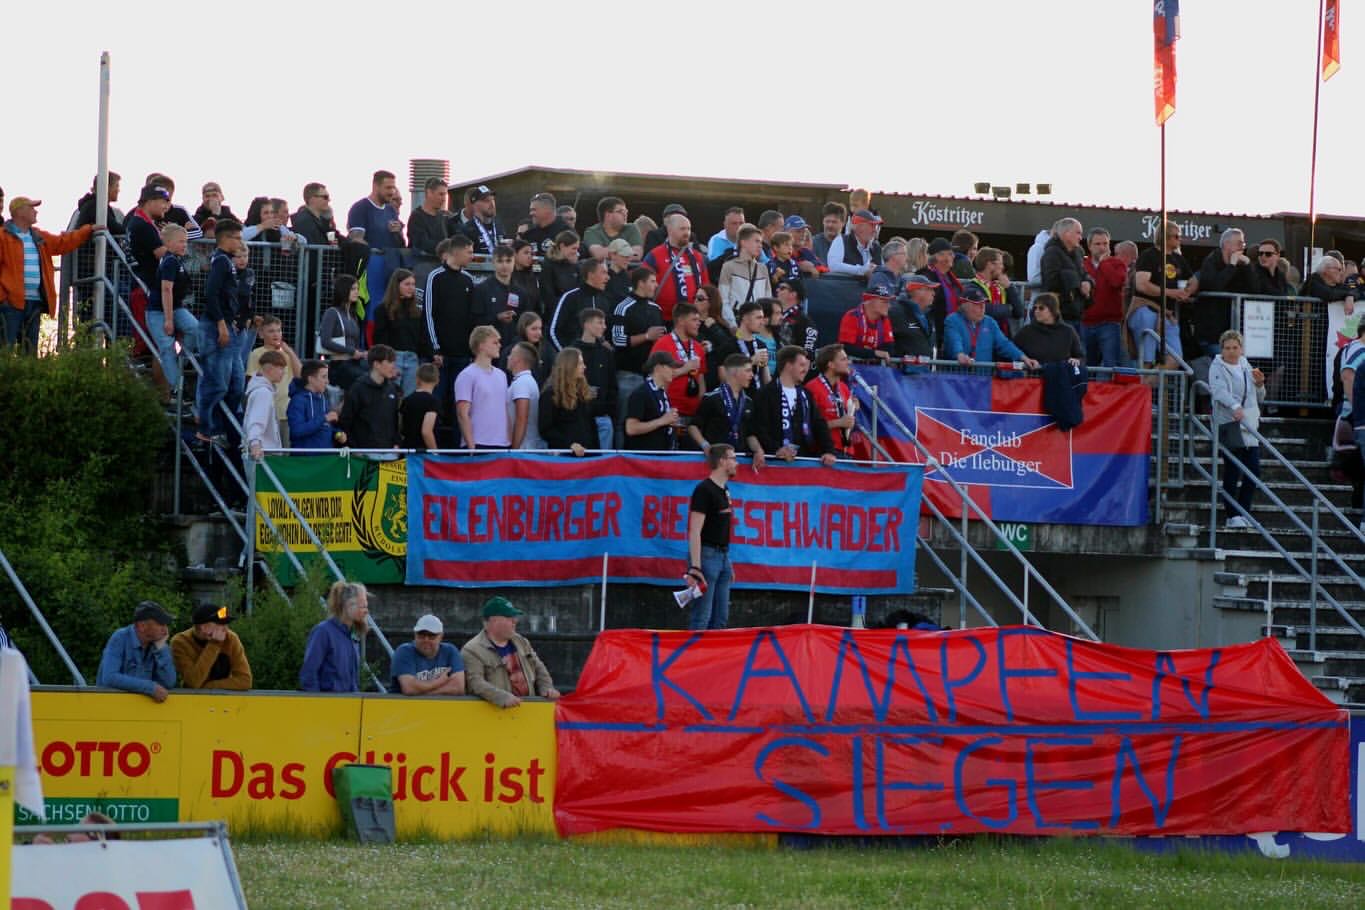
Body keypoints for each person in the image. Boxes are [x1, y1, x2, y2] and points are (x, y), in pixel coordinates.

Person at [1, 195, 99, 350]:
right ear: (20, 211)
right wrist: (3, 296)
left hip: (34, 301)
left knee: (30, 349)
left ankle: (28, 374)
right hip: (10, 303)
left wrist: (87, 230)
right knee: (5, 348)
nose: (36, 212)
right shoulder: (2, 237)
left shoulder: (38, 236)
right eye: (32, 207)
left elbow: (63, 242)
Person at [1210, 330, 1266, 529]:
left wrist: (1260, 385)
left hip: (1249, 423)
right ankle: (1232, 515)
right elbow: (1218, 391)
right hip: (1229, 424)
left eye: (1235, 348)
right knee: (1233, 470)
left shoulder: (1245, 364)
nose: (1232, 352)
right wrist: (1235, 407)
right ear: (1221, 349)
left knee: (1254, 471)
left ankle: (1243, 512)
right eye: (1227, 348)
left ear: (1241, 349)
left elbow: (1259, 396)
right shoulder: (1216, 366)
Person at [461, 596, 560, 709]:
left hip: (528, 712)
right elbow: (475, 683)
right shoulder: (472, 650)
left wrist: (547, 688)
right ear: (494, 621)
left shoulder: (521, 641)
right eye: (509, 617)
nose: (515, 621)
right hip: (495, 715)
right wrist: (501, 697)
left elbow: (539, 668)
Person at [196, 220, 244, 442]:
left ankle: (222, 425)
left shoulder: (227, 261)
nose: (239, 242)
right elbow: (212, 294)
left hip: (228, 325)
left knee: (236, 383)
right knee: (217, 382)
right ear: (225, 238)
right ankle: (206, 427)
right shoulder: (221, 261)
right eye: (236, 237)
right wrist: (221, 324)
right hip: (216, 327)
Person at [685, 444, 739, 631]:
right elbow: (694, 530)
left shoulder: (725, 490)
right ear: (722, 461)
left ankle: (713, 659)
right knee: (702, 618)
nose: (736, 463)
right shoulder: (704, 490)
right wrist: (695, 566)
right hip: (707, 557)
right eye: (733, 458)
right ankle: (694, 658)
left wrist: (727, 562)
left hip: (722, 556)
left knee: (721, 619)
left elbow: (721, 529)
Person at [753, 346, 837, 464]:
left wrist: (829, 451)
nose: (805, 370)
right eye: (802, 365)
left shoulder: (806, 394)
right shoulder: (766, 393)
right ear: (788, 365)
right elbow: (759, 428)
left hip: (803, 463)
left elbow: (819, 424)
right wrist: (776, 449)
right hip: (774, 463)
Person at [1129, 221, 1195, 369]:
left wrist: (1187, 292)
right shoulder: (1148, 255)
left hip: (1168, 315)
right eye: (1177, 236)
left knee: (1175, 358)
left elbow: (1194, 280)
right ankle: (1146, 388)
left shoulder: (1179, 259)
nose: (1180, 239)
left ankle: (1148, 385)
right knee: (1146, 360)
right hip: (1146, 310)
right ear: (1165, 237)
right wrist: (1172, 293)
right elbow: (1141, 284)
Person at [424, 234, 479, 410]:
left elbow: (472, 317)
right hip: (441, 354)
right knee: (436, 402)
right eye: (469, 252)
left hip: (462, 354)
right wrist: (435, 348)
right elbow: (428, 314)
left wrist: (472, 350)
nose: (472, 256)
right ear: (457, 252)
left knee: (461, 404)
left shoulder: (468, 279)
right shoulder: (435, 276)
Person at [146, 223, 199, 394]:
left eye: (185, 241)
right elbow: (166, 290)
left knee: (195, 329)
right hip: (158, 311)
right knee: (167, 346)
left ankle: (180, 362)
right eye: (180, 242)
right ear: (168, 243)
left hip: (176, 307)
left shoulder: (177, 260)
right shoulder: (169, 261)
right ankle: (178, 388)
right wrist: (169, 320)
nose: (184, 245)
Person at [1192, 228, 1256, 360]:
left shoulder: (1241, 264)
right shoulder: (1211, 261)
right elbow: (1214, 286)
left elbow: (1255, 289)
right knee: (1224, 362)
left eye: (1243, 244)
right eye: (1239, 243)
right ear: (1227, 244)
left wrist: (1249, 265)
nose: (1242, 247)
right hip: (1211, 332)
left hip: (1233, 331)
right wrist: (1231, 266)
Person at [689, 353, 765, 462]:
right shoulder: (712, 398)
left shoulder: (748, 402)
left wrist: (758, 450)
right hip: (716, 461)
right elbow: (693, 427)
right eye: (748, 370)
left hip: (739, 461)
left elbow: (750, 433)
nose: (752, 375)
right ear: (735, 372)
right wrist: (705, 446)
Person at [347, 170, 403, 318]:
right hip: (371, 264)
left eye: (393, 187)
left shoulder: (391, 210)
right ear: (375, 186)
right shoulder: (360, 207)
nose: (391, 192)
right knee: (372, 307)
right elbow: (356, 238)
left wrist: (398, 232)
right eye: (388, 188)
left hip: (391, 263)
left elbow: (400, 241)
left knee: (390, 306)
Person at [96, 601, 176, 701]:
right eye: (161, 624)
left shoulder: (159, 644)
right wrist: (150, 687)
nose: (165, 630)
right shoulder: (119, 638)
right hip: (110, 708)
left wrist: (161, 649)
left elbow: (169, 682)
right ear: (142, 626)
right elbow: (109, 677)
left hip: (139, 712)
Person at [944, 284, 1039, 368]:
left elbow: (1004, 344)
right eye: (977, 305)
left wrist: (1023, 358)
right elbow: (954, 341)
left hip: (984, 378)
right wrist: (959, 354)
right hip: (958, 378)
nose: (982, 308)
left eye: (984, 304)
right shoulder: (953, 320)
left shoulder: (990, 322)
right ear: (965, 306)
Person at [300, 581, 370, 693]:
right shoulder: (323, 632)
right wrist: (317, 704)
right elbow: (309, 674)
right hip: (327, 705)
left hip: (349, 704)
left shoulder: (352, 635)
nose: (366, 611)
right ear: (348, 605)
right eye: (363, 606)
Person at [372, 269, 432, 396]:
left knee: (408, 399)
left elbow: (422, 337)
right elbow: (380, 339)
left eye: (413, 284)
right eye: (407, 284)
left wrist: (432, 355)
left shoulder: (417, 312)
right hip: (393, 359)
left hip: (412, 359)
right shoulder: (383, 310)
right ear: (396, 285)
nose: (412, 288)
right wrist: (388, 363)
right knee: (389, 398)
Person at [245, 315, 301, 444]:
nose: (276, 334)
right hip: (267, 411)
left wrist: (290, 352)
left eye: (278, 330)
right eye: (271, 331)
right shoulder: (257, 353)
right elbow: (252, 380)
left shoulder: (287, 353)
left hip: (285, 411)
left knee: (285, 450)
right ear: (261, 334)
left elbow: (300, 376)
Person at [170, 603, 252, 690]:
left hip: (224, 699)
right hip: (192, 700)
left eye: (226, 624)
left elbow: (245, 681)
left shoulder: (231, 638)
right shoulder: (180, 642)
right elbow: (193, 682)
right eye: (220, 624)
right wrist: (214, 644)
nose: (225, 629)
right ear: (203, 627)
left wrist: (208, 687)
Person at [641, 212, 706, 321]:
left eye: (688, 229)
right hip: (663, 319)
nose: (687, 233)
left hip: (692, 320)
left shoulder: (698, 257)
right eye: (682, 229)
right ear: (670, 230)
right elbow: (642, 286)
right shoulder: (655, 255)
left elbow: (705, 287)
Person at [337, 345, 402, 449]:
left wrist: (396, 443)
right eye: (389, 362)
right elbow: (345, 421)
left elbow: (394, 421)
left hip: (390, 454)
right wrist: (353, 447)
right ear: (376, 364)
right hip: (363, 456)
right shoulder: (357, 388)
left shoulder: (392, 389)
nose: (393, 366)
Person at [650, 301, 707, 419]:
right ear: (681, 321)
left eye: (699, 320)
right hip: (669, 413)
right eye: (694, 320)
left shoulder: (698, 347)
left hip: (693, 413)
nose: (698, 323)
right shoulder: (663, 344)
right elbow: (654, 378)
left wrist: (701, 406)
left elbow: (701, 380)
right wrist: (684, 369)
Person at [456, 326, 510, 449]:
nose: (499, 346)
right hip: (478, 443)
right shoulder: (467, 375)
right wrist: (471, 446)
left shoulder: (501, 375)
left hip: (502, 443)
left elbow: (505, 410)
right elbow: (462, 413)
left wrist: (509, 440)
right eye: (495, 342)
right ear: (481, 346)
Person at [571, 308, 617, 449]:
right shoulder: (572, 351)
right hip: (578, 418)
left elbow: (612, 384)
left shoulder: (606, 353)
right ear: (586, 324)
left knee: (603, 461)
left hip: (602, 416)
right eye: (600, 323)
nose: (604, 327)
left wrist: (608, 409)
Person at [539, 347, 598, 456]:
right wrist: (569, 445)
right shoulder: (550, 395)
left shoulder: (582, 393)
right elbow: (546, 429)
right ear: (569, 366)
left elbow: (591, 426)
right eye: (580, 364)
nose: (584, 367)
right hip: (564, 456)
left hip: (588, 456)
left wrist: (596, 453)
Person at [805, 344, 860, 458]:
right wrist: (838, 423)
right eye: (843, 359)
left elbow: (846, 417)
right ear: (830, 364)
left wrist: (853, 407)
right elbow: (808, 425)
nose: (848, 362)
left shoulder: (843, 387)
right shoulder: (812, 387)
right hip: (826, 452)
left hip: (846, 449)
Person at [549, 258, 613, 352]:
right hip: (573, 360)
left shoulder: (604, 300)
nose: (608, 277)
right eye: (603, 273)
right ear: (591, 275)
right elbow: (553, 331)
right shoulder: (570, 297)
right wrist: (567, 356)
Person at [391, 614, 465, 696]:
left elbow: (458, 687)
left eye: (432, 635)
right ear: (415, 635)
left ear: (441, 637)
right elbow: (409, 688)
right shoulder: (404, 652)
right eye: (421, 635)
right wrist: (440, 681)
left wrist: (423, 692)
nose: (426, 640)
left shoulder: (450, 651)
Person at [626, 351, 684, 450]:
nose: (674, 371)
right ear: (658, 368)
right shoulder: (641, 393)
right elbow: (631, 428)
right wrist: (662, 421)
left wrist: (669, 422)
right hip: (645, 458)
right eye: (670, 367)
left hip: (661, 456)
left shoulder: (661, 393)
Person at [1040, 218, 1092, 327]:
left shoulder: (1078, 254)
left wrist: (1088, 282)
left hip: (1076, 313)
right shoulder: (1051, 253)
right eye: (1078, 233)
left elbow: (1084, 274)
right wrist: (1078, 284)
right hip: (1060, 315)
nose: (1080, 237)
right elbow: (1051, 282)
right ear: (1067, 234)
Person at [318, 274, 367, 390]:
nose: (357, 292)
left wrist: (363, 353)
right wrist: (351, 351)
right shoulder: (332, 313)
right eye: (353, 289)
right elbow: (325, 341)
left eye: (357, 289)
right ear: (343, 290)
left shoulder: (353, 316)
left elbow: (354, 345)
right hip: (339, 365)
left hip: (354, 363)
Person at [718, 224, 772, 328]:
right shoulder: (729, 267)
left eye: (761, 242)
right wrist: (733, 325)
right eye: (756, 241)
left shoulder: (763, 268)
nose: (760, 245)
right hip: (738, 323)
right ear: (743, 242)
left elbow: (767, 300)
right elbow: (724, 300)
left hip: (759, 325)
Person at [475, 245, 525, 350]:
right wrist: (497, 318)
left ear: (514, 262)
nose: (504, 265)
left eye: (508, 261)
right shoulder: (482, 289)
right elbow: (474, 322)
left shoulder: (520, 292)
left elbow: (524, 322)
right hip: (488, 349)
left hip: (514, 349)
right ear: (493, 262)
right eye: (500, 261)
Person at [839, 279, 899, 363]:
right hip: (852, 366)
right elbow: (846, 347)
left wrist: (874, 353)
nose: (889, 306)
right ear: (869, 301)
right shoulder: (852, 316)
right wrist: (875, 353)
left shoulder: (884, 320)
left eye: (888, 302)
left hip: (875, 367)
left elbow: (889, 347)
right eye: (884, 302)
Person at [1013, 293, 1083, 365]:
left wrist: (1076, 360)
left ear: (1053, 310)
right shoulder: (1026, 331)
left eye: (1041, 308)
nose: (1036, 311)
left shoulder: (1068, 331)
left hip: (1060, 375)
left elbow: (1080, 356)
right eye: (1035, 308)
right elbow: (1013, 353)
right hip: (1033, 374)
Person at [243, 350, 288, 461]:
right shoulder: (263, 393)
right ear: (270, 368)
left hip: (263, 452)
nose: (283, 373)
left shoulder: (261, 390)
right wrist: (255, 443)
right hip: (262, 454)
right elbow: (256, 421)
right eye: (281, 368)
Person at [288, 359, 340, 450]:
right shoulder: (298, 401)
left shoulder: (323, 398)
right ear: (311, 379)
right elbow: (297, 431)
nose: (327, 381)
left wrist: (337, 433)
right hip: (306, 460)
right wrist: (324, 418)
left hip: (326, 458)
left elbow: (326, 426)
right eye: (324, 377)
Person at [918, 238, 965, 340]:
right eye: (950, 253)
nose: (953, 256)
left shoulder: (950, 277)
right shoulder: (925, 277)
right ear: (938, 257)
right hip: (934, 332)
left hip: (953, 331)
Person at [507, 341, 546, 450]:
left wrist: (514, 450)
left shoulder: (522, 383)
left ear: (517, 359)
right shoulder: (526, 380)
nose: (508, 357)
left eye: (511, 354)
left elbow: (521, 419)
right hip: (527, 446)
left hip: (524, 448)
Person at [407, 177, 451, 270]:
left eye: (445, 195)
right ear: (429, 193)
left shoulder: (444, 217)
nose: (444, 199)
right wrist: (445, 249)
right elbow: (422, 243)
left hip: (442, 266)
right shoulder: (417, 217)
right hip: (422, 267)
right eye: (441, 194)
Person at [825, 210, 882, 277]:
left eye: (875, 226)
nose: (875, 230)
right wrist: (862, 270)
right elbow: (834, 266)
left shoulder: (876, 247)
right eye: (872, 225)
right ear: (859, 227)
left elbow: (882, 271)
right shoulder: (841, 241)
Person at [584, 195, 643, 260]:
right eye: (620, 211)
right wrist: (626, 251)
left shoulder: (632, 228)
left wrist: (610, 252)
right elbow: (598, 254)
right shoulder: (592, 231)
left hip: (629, 269)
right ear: (608, 215)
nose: (625, 214)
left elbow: (637, 254)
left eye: (626, 211)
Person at [402, 363, 443, 450]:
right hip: (422, 455)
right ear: (437, 381)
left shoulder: (407, 400)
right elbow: (426, 432)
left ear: (417, 379)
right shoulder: (432, 402)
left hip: (407, 451)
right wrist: (435, 453)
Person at [897, 273, 939, 357]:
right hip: (904, 369)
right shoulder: (897, 312)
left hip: (926, 368)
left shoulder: (928, 315)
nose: (934, 293)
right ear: (917, 291)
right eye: (929, 289)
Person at [773, 281, 819, 357]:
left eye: (782, 288)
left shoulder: (804, 321)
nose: (777, 290)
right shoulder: (771, 316)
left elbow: (807, 353)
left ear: (793, 294)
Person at [540, 230, 583, 310]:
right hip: (556, 310)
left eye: (577, 249)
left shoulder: (575, 266)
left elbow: (580, 288)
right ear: (562, 246)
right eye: (574, 248)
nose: (576, 252)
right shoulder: (548, 266)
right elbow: (547, 295)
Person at [733, 300, 772, 388]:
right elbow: (725, 378)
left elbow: (766, 381)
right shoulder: (730, 345)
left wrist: (765, 365)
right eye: (758, 318)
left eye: (762, 318)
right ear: (745, 318)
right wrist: (751, 361)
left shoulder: (761, 345)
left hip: (758, 397)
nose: (762, 322)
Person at [459, 185, 503, 254]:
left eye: (493, 199)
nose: (492, 204)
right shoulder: (466, 230)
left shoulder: (498, 224)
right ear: (475, 204)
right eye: (487, 201)